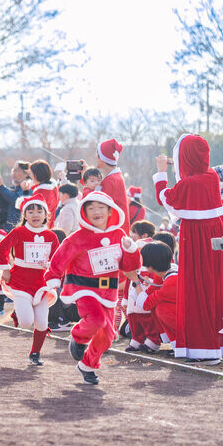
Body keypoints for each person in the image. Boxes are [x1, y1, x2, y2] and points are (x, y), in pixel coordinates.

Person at [44, 191, 141, 384]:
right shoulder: (78, 237)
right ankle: (78, 337)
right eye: (91, 208)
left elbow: (129, 267)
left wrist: (131, 250)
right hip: (83, 288)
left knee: (108, 335)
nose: (96, 211)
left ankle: (87, 365)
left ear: (110, 211)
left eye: (101, 207)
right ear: (84, 213)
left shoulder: (119, 235)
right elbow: (61, 257)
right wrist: (53, 278)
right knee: (95, 319)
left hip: (108, 291)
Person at [154, 134, 223, 364]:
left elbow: (166, 198)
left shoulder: (190, 183)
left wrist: (161, 173)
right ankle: (212, 344)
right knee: (213, 287)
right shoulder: (211, 176)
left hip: (196, 239)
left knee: (197, 288)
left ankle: (202, 346)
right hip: (215, 238)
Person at [0, 196, 60, 366]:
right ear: (25, 215)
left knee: (42, 323)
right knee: (25, 323)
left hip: (42, 283)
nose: (35, 214)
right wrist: (5, 269)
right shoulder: (18, 232)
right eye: (30, 211)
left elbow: (58, 258)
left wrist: (50, 267)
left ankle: (35, 353)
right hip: (20, 281)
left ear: (46, 215)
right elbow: (2, 248)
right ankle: (18, 311)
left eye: (39, 211)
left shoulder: (51, 236)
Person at [135, 241, 178, 352]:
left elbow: (146, 304)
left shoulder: (172, 280)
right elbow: (150, 293)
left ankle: (181, 344)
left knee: (162, 309)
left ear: (150, 265)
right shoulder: (169, 272)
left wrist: (136, 282)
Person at [96, 139, 130, 236]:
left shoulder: (110, 181)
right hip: (118, 230)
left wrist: (86, 184)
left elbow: (94, 202)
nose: (96, 158)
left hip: (113, 232)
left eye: (97, 155)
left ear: (102, 160)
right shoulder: (115, 177)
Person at [0, 161, 30, 232]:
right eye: (13, 170)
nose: (13, 173)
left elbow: (16, 200)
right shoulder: (13, 188)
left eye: (16, 170)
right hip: (9, 227)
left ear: (26, 173)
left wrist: (1, 187)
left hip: (21, 227)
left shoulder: (28, 187)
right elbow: (1, 205)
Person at [29, 160, 58, 228]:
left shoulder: (40, 192)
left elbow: (29, 210)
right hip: (50, 224)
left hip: (41, 226)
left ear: (36, 175)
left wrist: (25, 192)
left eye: (31, 173)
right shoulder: (53, 187)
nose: (30, 176)